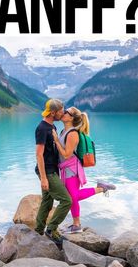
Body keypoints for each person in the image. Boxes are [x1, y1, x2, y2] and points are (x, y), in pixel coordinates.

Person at [52, 107, 116, 234]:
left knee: (72, 197)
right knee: (71, 196)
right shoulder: (63, 131)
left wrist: (55, 140)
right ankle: (77, 224)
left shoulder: (73, 133)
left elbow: (66, 154)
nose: (63, 113)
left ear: (71, 118)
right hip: (65, 168)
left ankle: (77, 224)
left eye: (66, 112)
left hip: (71, 168)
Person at [35, 99, 72, 245]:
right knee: (66, 201)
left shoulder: (53, 127)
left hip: (52, 170)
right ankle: (51, 229)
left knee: (47, 201)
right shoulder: (42, 128)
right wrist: (44, 178)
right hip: (47, 172)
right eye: (61, 111)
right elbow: (39, 154)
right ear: (52, 112)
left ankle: (38, 230)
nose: (63, 113)